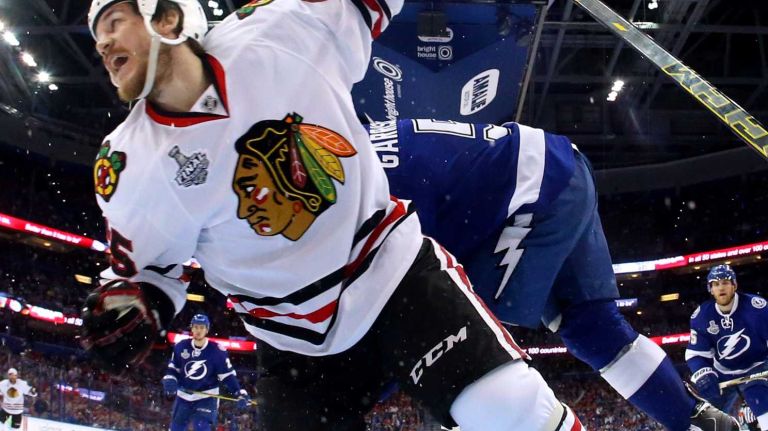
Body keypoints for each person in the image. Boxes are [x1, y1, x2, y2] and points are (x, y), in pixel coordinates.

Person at [79, 1, 585, 430]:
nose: (101, 46)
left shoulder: (283, 27)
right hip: (291, 344)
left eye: (112, 23)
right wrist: (133, 307)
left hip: (395, 280)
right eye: (96, 38)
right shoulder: (130, 167)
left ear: (165, 18)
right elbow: (151, 274)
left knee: (515, 412)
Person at [364, 118, 739, 431]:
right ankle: (698, 422)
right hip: (558, 167)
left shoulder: (347, 195)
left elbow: (398, 328)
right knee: (593, 329)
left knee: (453, 347)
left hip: (528, 194)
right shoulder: (345, 153)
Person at [687, 264, 768, 430]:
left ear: (735, 285)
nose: (721, 287)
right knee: (704, 418)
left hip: (757, 368)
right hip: (722, 373)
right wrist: (704, 374)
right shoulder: (701, 315)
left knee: (760, 403)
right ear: (710, 290)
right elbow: (696, 355)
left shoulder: (757, 308)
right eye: (715, 284)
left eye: (725, 282)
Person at [162, 314, 249, 431]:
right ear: (191, 328)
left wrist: (238, 392)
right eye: (196, 327)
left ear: (207, 330)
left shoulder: (217, 351)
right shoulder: (181, 346)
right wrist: (171, 380)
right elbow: (173, 369)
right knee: (176, 428)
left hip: (207, 397)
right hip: (183, 396)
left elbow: (227, 376)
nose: (198, 330)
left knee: (201, 426)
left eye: (202, 327)